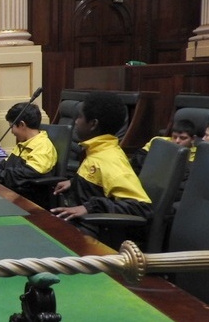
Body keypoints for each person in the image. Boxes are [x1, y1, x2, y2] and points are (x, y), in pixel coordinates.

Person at [50, 91, 152, 239]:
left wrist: (89, 207)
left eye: (80, 117)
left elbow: (141, 208)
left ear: (93, 124)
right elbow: (101, 183)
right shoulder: (96, 152)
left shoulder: (110, 160)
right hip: (77, 227)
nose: (76, 122)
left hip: (94, 240)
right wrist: (74, 183)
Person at [0, 102, 57, 201]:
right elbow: (6, 165)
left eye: (11, 127)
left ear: (22, 124)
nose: (12, 132)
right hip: (10, 192)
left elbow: (25, 174)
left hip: (26, 200)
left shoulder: (43, 147)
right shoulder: (24, 143)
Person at [129, 119, 198, 175]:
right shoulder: (158, 141)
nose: (177, 141)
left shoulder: (198, 154)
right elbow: (137, 159)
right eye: (174, 137)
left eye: (183, 138)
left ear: (193, 139)